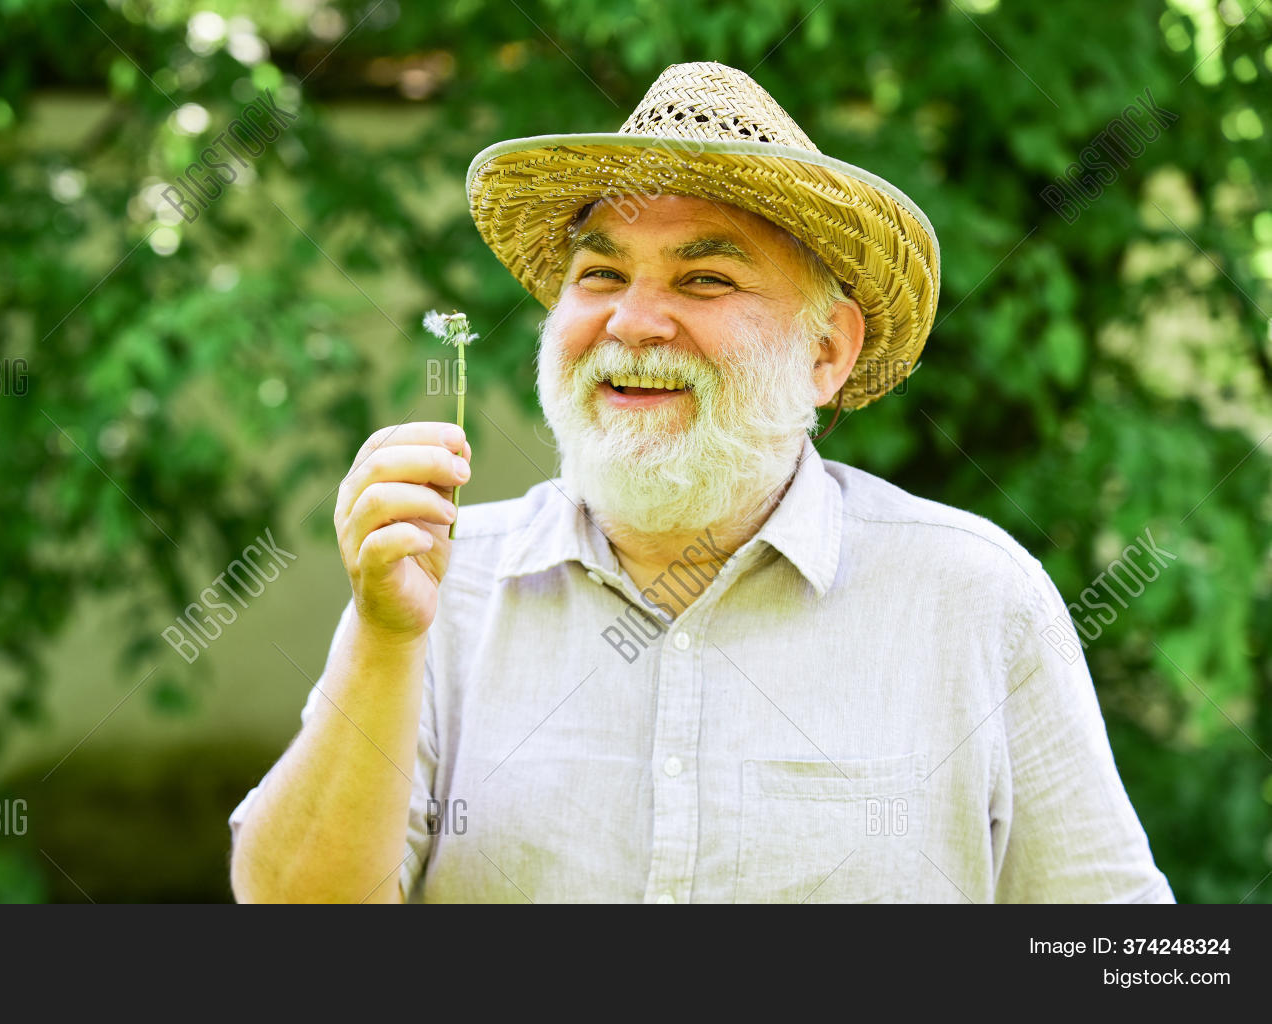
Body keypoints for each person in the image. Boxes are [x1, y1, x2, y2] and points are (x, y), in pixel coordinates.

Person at [228, 61, 1173, 903]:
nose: (634, 322)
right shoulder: (440, 585)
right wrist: (386, 640)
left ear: (827, 353)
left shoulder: (972, 597)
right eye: (600, 274)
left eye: (706, 280)